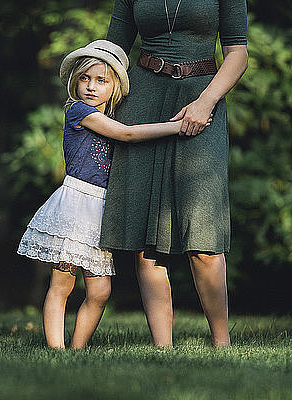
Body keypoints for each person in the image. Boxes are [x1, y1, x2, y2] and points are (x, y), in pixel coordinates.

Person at [17, 40, 209, 349]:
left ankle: (77, 350)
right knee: (62, 284)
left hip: (100, 212)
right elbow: (128, 134)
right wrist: (177, 127)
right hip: (76, 206)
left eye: (101, 80)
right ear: (74, 83)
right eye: (84, 79)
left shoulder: (113, 114)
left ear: (114, 87)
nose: (91, 87)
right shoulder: (79, 111)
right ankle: (56, 350)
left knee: (100, 292)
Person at [99, 0, 248, 347]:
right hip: (140, 100)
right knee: (145, 234)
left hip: (201, 97)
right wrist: (87, 101)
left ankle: (221, 344)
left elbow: (238, 54)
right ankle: (162, 348)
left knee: (203, 230)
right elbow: (112, 51)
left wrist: (206, 101)